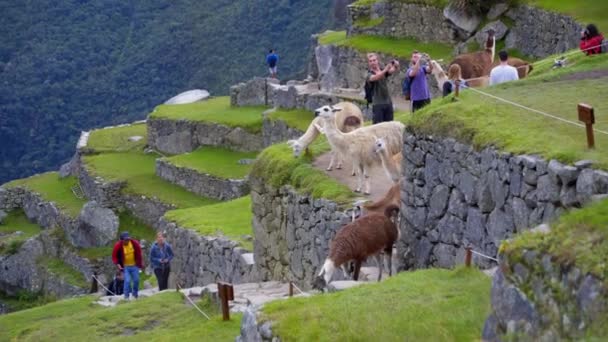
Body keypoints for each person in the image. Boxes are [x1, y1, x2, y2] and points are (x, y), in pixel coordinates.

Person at [366, 52, 399, 123]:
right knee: (378, 127)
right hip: (378, 104)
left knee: (389, 125)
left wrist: (395, 65)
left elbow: (392, 70)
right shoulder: (369, 74)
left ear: (377, 61)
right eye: (370, 61)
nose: (372, 62)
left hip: (388, 102)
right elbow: (377, 77)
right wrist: (386, 69)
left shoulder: (382, 71)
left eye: (374, 60)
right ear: (368, 63)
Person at [111, 231, 144, 300]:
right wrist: (118, 264)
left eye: (128, 239)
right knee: (127, 281)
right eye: (125, 240)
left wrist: (140, 265)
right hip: (125, 267)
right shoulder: (118, 246)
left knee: (136, 280)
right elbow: (114, 256)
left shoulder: (134, 243)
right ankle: (126, 297)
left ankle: (135, 295)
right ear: (121, 240)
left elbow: (139, 254)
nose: (127, 241)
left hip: (134, 265)